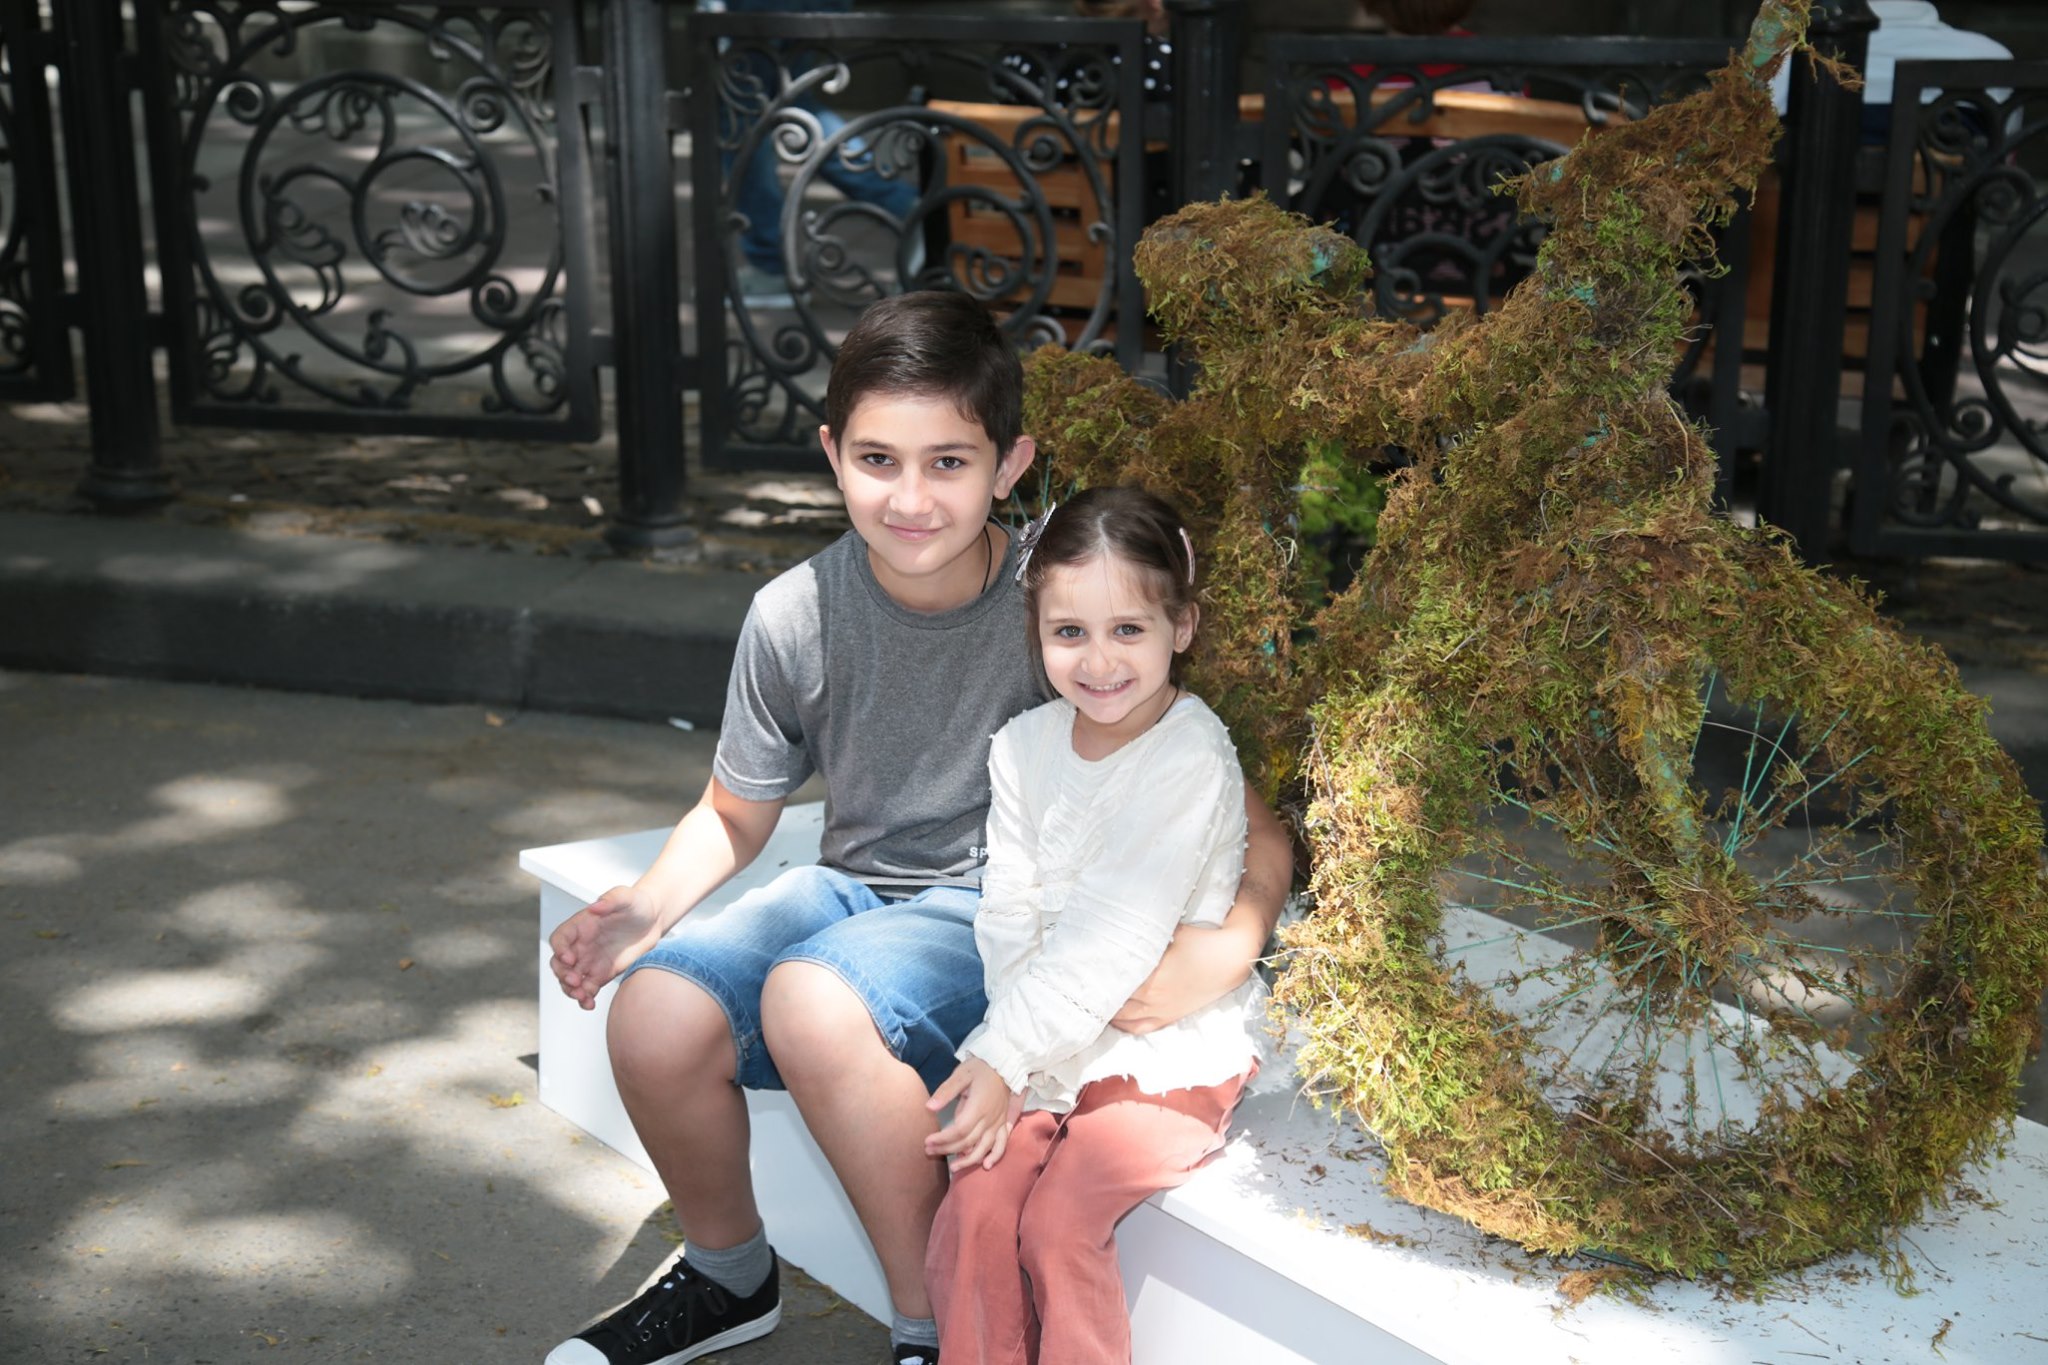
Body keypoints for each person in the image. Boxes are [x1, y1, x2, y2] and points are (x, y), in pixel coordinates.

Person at [543, 293, 1292, 1365]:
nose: (910, 497)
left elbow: (1237, 804)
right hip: (853, 889)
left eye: (948, 462)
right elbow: (735, 810)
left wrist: (1235, 937)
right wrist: (646, 908)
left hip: (999, 915)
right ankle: (726, 1276)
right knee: (653, 1014)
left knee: (812, 1001)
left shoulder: (1064, 603)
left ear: (1008, 464)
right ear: (831, 455)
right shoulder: (794, 613)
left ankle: (930, 1328)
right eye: (877, 460)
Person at [923, 488, 1266, 1365]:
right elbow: (1008, 913)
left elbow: (1117, 933)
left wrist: (1003, 1054)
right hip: (1048, 1036)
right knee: (977, 1201)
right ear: (1036, 631)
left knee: (1060, 1222)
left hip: (1164, 1049)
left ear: (1181, 627)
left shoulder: (1190, 751)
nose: (1100, 660)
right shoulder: (1023, 747)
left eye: (1129, 630)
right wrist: (1016, 1053)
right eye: (1070, 631)